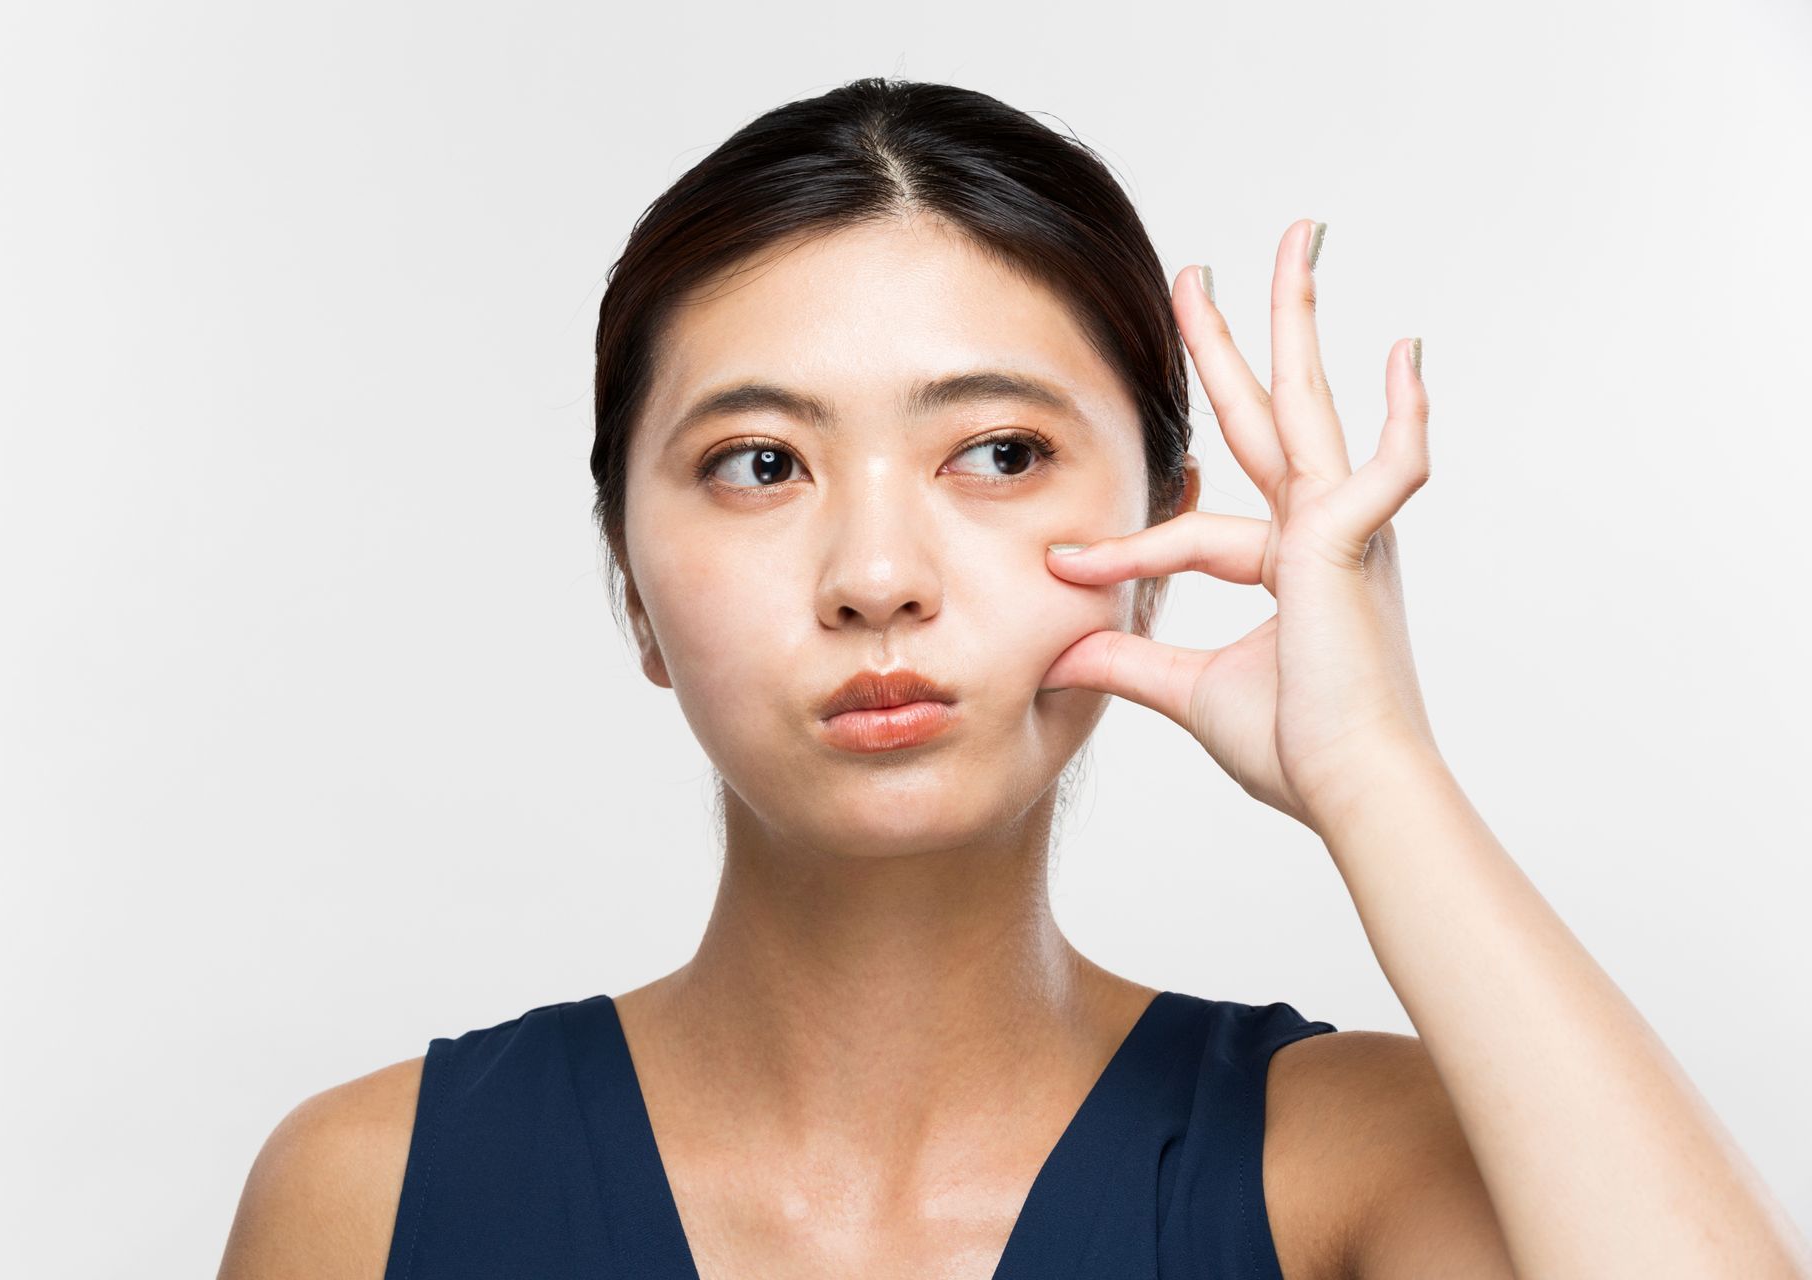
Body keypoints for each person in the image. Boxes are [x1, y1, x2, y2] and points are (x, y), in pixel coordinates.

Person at [215, 77, 1810, 1279]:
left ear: (1166, 532)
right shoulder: (370, 1194)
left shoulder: (1351, 1169)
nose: (875, 575)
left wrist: (1379, 776)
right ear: (632, 590)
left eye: (997, 451)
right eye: (761, 462)